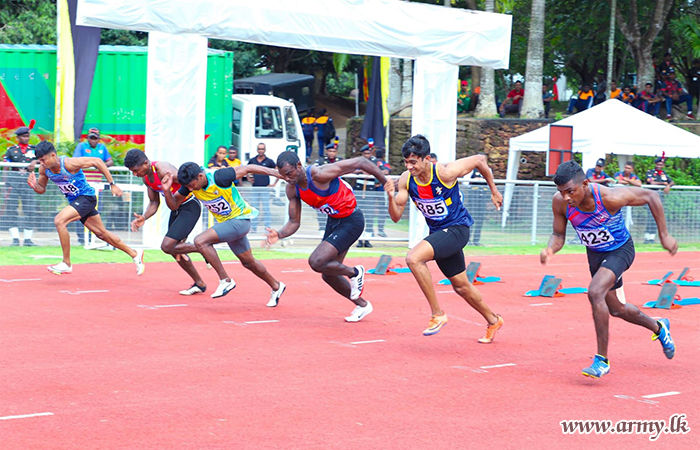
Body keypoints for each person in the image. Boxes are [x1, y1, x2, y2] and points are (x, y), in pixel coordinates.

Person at [541, 160, 677, 379]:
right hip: (595, 255)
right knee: (617, 309)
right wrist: (550, 249)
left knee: (595, 292)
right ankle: (659, 327)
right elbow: (558, 235)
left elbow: (652, 196)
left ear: (585, 184)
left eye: (570, 191)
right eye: (561, 192)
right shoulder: (560, 202)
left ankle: (601, 360)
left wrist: (664, 236)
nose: (566, 197)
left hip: (620, 251)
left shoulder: (609, 197)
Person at [385, 135, 504, 342]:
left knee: (414, 258)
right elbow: (395, 217)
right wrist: (390, 197)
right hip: (439, 234)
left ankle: (437, 314)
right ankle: (494, 320)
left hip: (457, 228)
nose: (409, 166)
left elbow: (479, 160)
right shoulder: (406, 179)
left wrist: (493, 190)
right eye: (406, 162)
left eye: (413, 162)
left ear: (426, 159)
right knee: (461, 286)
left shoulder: (444, 172)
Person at [266, 151, 389, 322]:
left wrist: (385, 182)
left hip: (352, 220)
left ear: (299, 166)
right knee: (328, 273)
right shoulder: (292, 189)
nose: (287, 178)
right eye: (283, 176)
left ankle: (355, 272)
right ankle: (362, 305)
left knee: (316, 261)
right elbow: (294, 222)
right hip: (334, 222)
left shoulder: (320, 174)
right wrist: (279, 234)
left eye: (289, 173)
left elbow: (361, 161)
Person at [164, 162, 286, 303]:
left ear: (200, 176)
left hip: (240, 220)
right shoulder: (189, 186)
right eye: (188, 187)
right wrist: (167, 190)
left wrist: (275, 173)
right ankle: (276, 286)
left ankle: (225, 280)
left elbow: (248, 168)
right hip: (228, 225)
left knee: (200, 240)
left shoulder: (220, 177)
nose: (191, 189)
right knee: (248, 262)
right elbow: (174, 205)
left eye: (192, 185)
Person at [26, 141, 144, 275]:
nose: (41, 163)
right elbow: (41, 189)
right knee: (102, 234)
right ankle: (134, 253)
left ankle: (66, 263)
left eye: (43, 160)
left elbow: (98, 161)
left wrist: (112, 184)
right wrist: (35, 186)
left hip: (86, 198)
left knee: (59, 221)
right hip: (76, 201)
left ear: (53, 155)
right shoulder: (44, 169)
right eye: (40, 161)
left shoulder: (69, 164)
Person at [124, 149, 208, 296]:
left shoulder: (163, 170)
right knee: (175, 251)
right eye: (132, 172)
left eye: (136, 170)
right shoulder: (146, 179)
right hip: (175, 209)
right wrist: (144, 217)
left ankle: (204, 247)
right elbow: (154, 202)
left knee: (167, 246)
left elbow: (188, 182)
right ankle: (199, 283)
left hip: (189, 206)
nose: (135, 175)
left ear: (146, 163)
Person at [72, 127, 114, 245]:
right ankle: (81, 238)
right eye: (91, 138)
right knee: (79, 211)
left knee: (95, 212)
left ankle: (93, 237)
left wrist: (101, 165)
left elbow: (110, 161)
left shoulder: (102, 148)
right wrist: (91, 164)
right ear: (87, 138)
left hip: (97, 186)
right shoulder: (81, 147)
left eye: (95, 138)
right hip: (83, 186)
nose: (93, 140)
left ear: (99, 139)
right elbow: (75, 162)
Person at [3, 126, 37, 246]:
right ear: (18, 137)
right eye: (23, 136)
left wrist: (34, 162)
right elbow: (6, 166)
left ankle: (28, 240)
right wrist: (5, 184)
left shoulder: (34, 149)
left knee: (30, 210)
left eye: (27, 136)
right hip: (14, 183)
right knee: (11, 210)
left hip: (29, 183)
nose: (26, 138)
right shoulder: (12, 150)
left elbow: (44, 159)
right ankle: (15, 239)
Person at [313, 142, 344, 234]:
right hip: (324, 190)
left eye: (334, 151)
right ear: (327, 151)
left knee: (337, 210)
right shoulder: (321, 161)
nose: (332, 153)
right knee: (322, 210)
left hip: (337, 191)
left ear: (336, 152)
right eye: (330, 151)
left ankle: (336, 230)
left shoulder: (340, 161)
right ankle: (322, 230)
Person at [246, 143, 277, 233]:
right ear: (257, 150)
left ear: (265, 150)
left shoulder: (269, 161)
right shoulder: (252, 160)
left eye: (262, 149)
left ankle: (267, 228)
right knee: (255, 208)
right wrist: (248, 178)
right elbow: (246, 169)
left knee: (266, 208)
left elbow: (277, 170)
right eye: (259, 149)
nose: (261, 150)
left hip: (265, 188)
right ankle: (253, 228)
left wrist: (274, 183)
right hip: (255, 188)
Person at [644, 157, 674, 244]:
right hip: (651, 197)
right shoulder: (651, 172)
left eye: (661, 164)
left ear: (663, 165)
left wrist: (668, 186)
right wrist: (663, 183)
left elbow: (672, 182)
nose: (659, 166)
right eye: (658, 164)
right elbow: (651, 182)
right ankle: (647, 237)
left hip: (660, 197)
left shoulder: (664, 174)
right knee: (650, 217)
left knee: (657, 217)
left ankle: (652, 237)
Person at [354, 144, 379, 247]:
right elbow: (350, 170)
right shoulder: (358, 161)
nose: (366, 156)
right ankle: (360, 239)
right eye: (364, 154)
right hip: (360, 192)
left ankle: (367, 239)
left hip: (369, 192)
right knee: (358, 217)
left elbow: (385, 170)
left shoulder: (375, 161)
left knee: (369, 216)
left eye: (368, 153)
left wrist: (371, 171)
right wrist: (361, 171)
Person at [466, 168, 490, 246]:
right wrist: (474, 179)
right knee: (471, 217)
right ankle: (468, 240)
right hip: (473, 197)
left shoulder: (488, 170)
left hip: (482, 196)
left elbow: (490, 181)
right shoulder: (471, 170)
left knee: (480, 218)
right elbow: (465, 182)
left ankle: (476, 240)